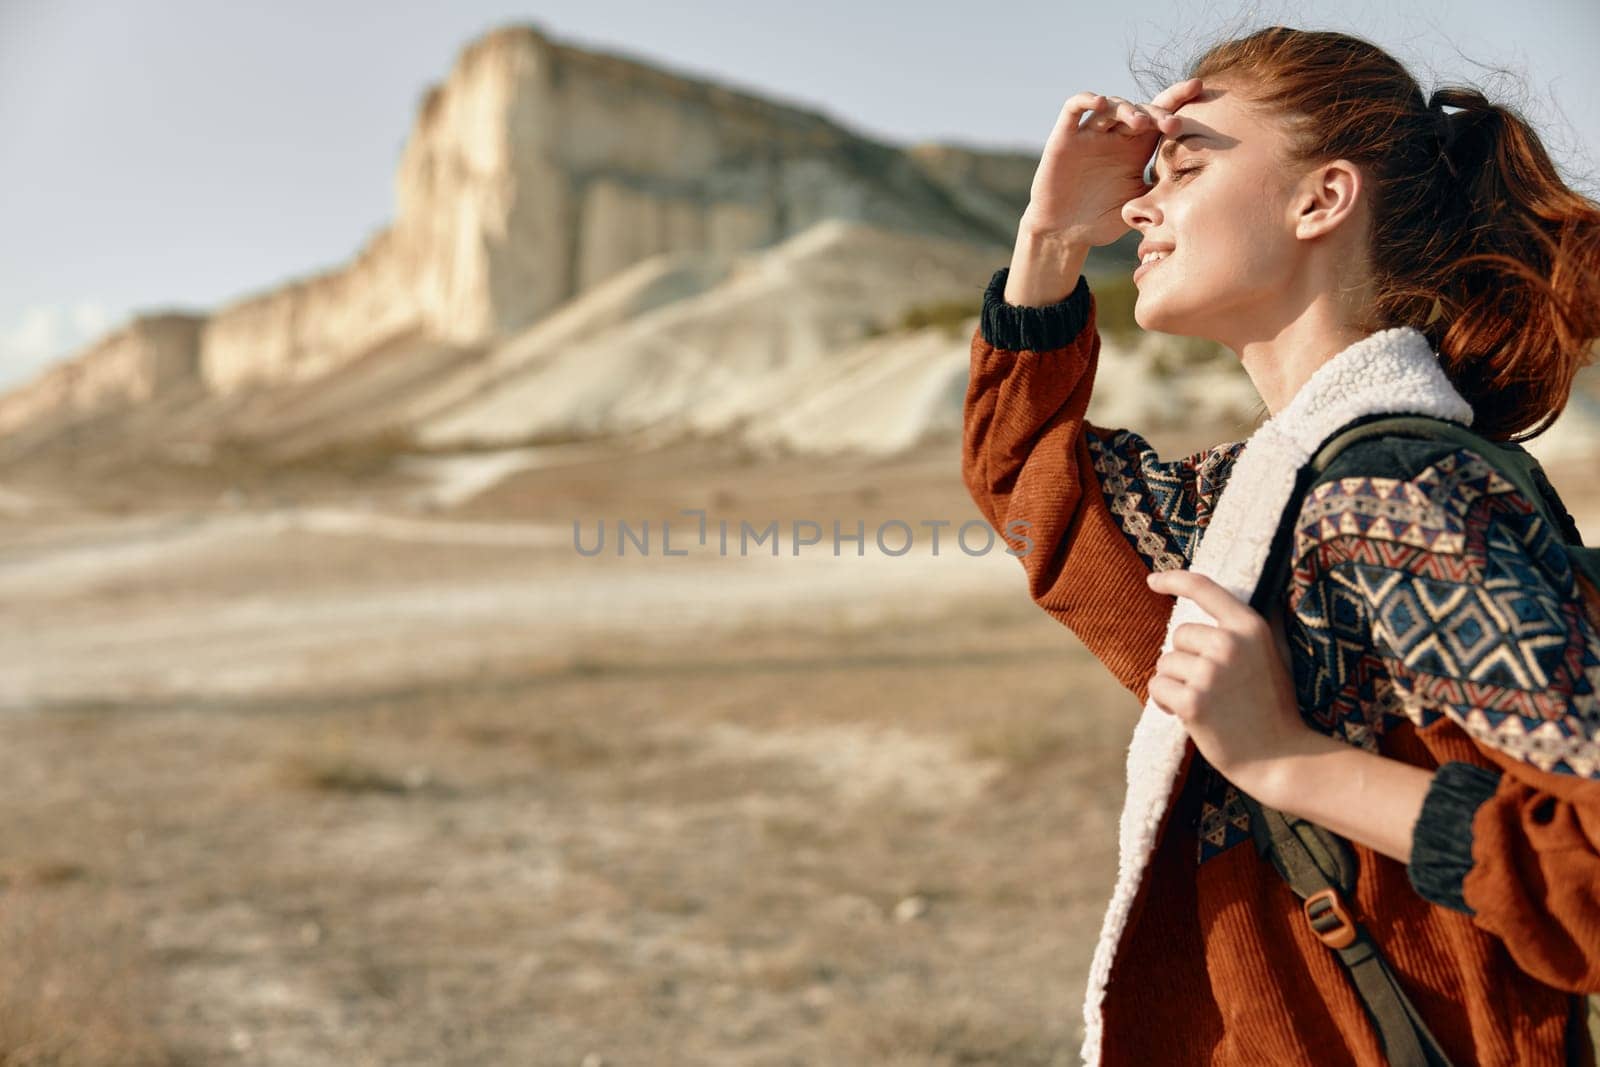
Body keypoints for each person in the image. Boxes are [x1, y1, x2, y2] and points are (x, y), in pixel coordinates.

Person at [961, 25, 1600, 1067]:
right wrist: (1049, 242)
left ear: (1320, 199)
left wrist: (1284, 758)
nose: (1137, 205)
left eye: (1187, 166)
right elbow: (1033, 486)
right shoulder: (1265, 501)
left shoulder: (1394, 494)